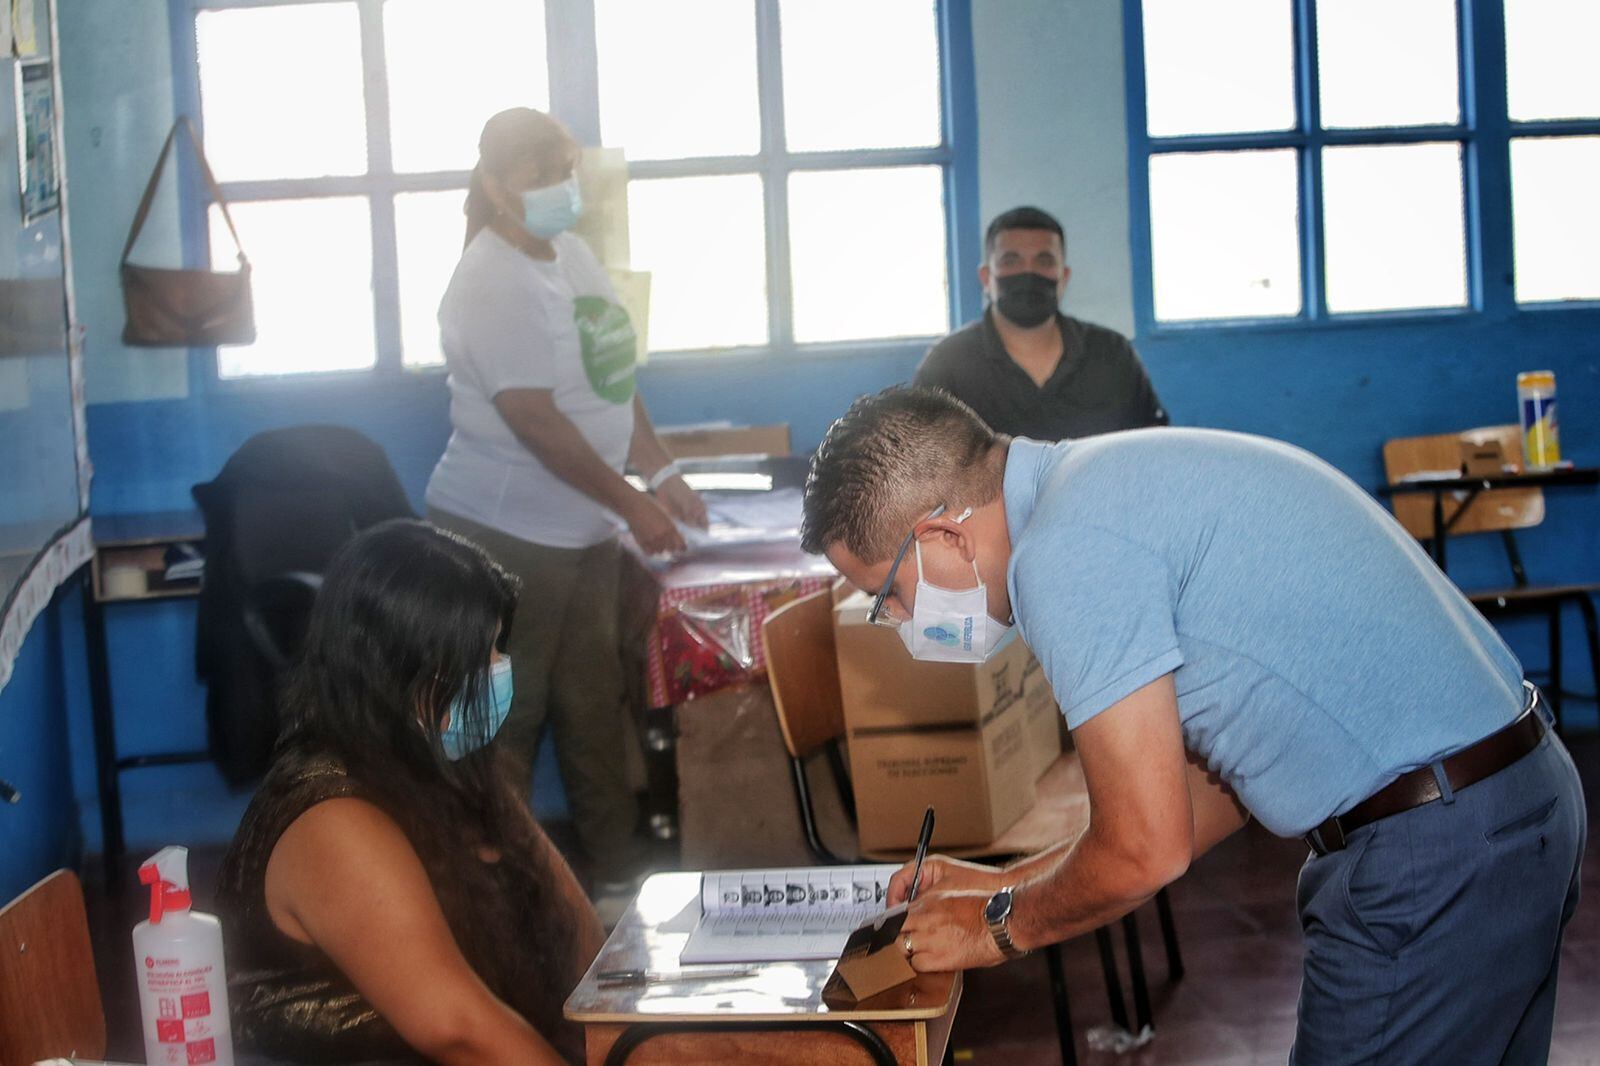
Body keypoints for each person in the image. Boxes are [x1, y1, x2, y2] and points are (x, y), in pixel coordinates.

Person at [800, 387, 1585, 1064]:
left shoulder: (1063, 554)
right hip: (1515, 803)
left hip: (1433, 856)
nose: (896, 621)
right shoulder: (1104, 482)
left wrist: (994, 928)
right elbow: (1210, 790)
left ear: (942, 536)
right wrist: (1002, 882)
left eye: (887, 595)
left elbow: (1145, 847)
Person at [424, 106, 706, 889]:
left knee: (592, 701)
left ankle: (615, 878)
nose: (559, 187)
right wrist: (633, 502)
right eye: (538, 175)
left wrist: (661, 473)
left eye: (565, 171)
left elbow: (614, 378)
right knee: (508, 713)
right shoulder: (487, 279)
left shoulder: (572, 255)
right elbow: (535, 422)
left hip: (582, 529)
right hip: (505, 530)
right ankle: (501, 890)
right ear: (494, 186)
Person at [217, 520, 604, 1064]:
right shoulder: (331, 819)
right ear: (395, 668)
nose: (497, 672)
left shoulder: (444, 761)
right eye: (475, 656)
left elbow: (579, 946)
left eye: (497, 647)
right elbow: (460, 1031)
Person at [914, 206, 1166, 440]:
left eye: (1044, 261)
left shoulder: (1112, 354)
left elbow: (1152, 445)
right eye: (1011, 261)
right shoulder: (947, 364)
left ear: (1063, 277)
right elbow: (918, 457)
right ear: (986, 278)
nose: (1028, 273)